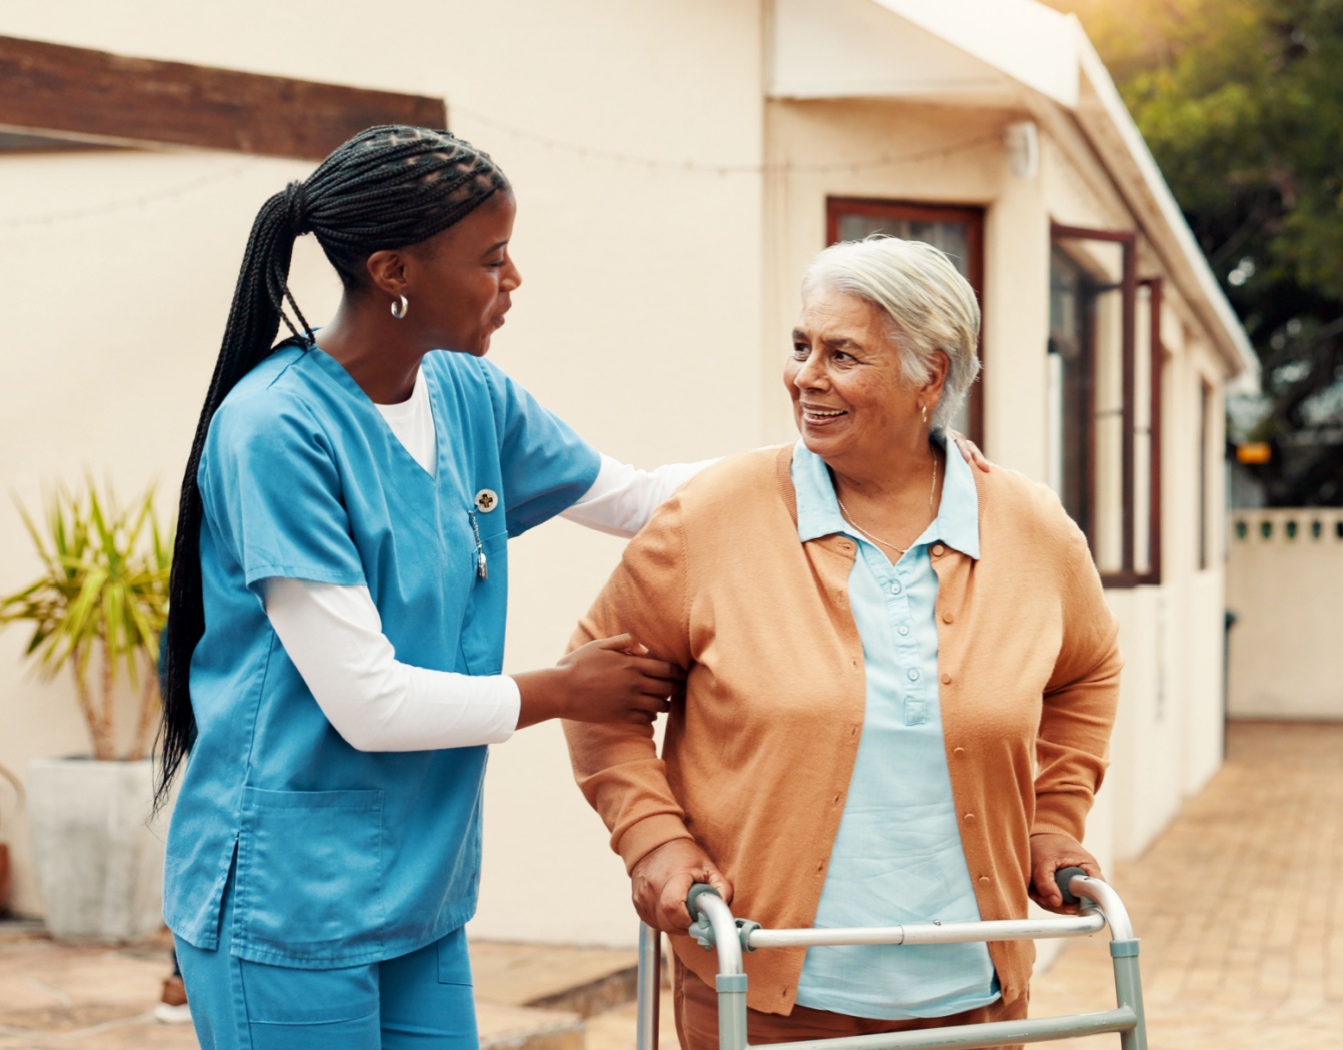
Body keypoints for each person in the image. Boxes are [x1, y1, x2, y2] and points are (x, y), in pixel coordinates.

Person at [156, 125, 714, 1050]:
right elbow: (367, 704)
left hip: (421, 885)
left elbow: (641, 499)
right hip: (290, 899)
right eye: (492, 258)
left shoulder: (467, 394)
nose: (514, 280)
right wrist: (563, 691)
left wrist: (826, 460)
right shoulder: (276, 431)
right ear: (393, 271)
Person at [564, 237, 1124, 1050]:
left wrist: (1052, 818)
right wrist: (655, 839)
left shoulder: (1032, 532)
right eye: (801, 347)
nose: (805, 377)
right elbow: (596, 695)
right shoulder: (712, 516)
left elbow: (1090, 670)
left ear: (929, 375)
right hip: (760, 986)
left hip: (973, 999)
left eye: (843, 354)